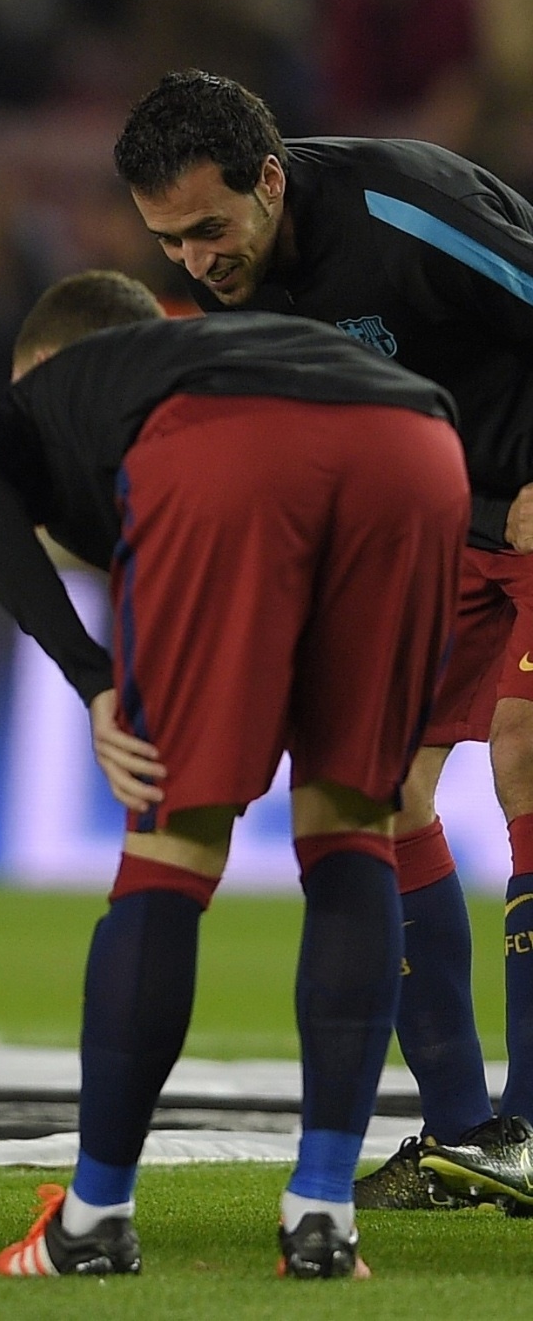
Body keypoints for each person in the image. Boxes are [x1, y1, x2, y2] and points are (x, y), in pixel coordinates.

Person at [0, 272, 466, 1279]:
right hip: (417, 443)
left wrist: (92, 677)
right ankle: (323, 1217)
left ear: (44, 368)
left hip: (230, 452)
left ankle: (92, 1219)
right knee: (357, 823)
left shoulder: (62, 380)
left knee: (174, 839)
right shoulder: (238, 343)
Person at [113, 70, 533, 1209]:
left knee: (522, 752)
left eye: (210, 228)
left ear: (272, 178)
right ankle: (472, 1139)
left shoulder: (404, 209)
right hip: (439, 528)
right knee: (378, 790)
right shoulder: (226, 289)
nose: (197, 261)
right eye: (170, 243)